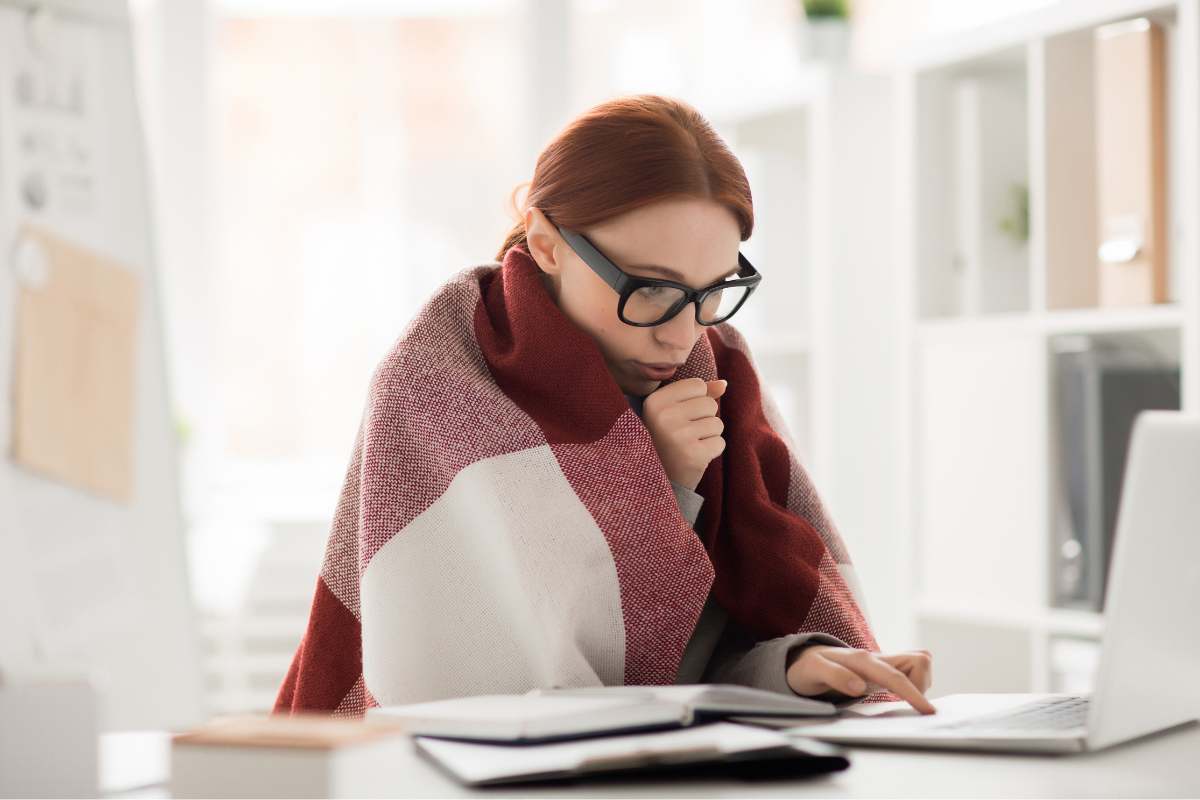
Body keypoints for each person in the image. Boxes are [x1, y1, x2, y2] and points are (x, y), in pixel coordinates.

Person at [275, 94, 934, 718]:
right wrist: (661, 480)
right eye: (650, 290)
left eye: (713, 292)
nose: (681, 334)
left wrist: (800, 666)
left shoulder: (721, 369)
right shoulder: (438, 383)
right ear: (546, 242)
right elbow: (524, 684)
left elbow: (690, 672)